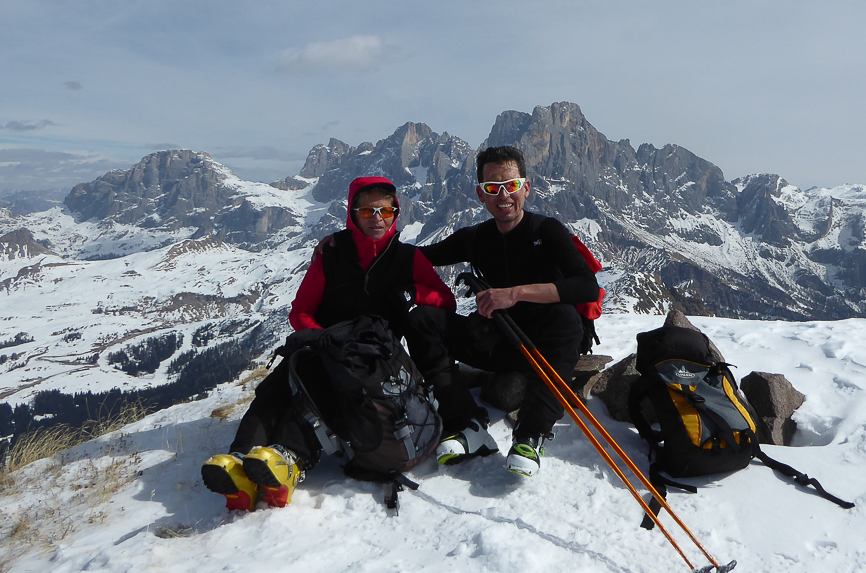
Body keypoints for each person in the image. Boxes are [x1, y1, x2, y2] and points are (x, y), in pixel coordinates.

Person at [201, 176, 456, 511]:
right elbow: (301, 311)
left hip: (373, 359)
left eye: (385, 210)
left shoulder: (409, 258)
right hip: (321, 345)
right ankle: (239, 461)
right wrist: (322, 339)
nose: (377, 218)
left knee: (317, 390)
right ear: (352, 213)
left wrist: (414, 292)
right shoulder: (333, 254)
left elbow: (446, 300)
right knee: (276, 387)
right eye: (366, 211)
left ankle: (288, 459)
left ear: (396, 213)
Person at [406, 146, 600, 477]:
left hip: (545, 348)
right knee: (422, 319)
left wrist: (515, 294)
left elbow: (586, 287)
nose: (503, 196)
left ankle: (530, 434)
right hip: (497, 341)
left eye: (511, 185)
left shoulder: (546, 231)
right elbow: (418, 257)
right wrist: (343, 243)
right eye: (492, 188)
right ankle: (465, 423)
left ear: (526, 188)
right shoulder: (477, 238)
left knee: (566, 317)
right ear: (480, 194)